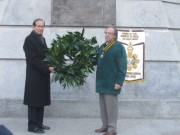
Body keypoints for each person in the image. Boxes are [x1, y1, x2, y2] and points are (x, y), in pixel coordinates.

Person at [23, 18, 54, 134]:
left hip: (42, 74)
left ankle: (39, 123)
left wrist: (53, 62)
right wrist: (46, 68)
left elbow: (45, 56)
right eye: (38, 26)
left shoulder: (42, 39)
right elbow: (32, 59)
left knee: (41, 99)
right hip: (34, 76)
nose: (41, 28)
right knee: (33, 101)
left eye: (42, 26)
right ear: (33, 26)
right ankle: (32, 126)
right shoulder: (29, 39)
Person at [94, 26, 127, 135]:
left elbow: (122, 66)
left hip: (112, 83)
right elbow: (95, 61)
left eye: (109, 33)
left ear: (114, 35)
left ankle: (112, 129)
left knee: (111, 107)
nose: (106, 35)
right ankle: (105, 126)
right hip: (101, 82)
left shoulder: (119, 47)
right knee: (103, 107)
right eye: (105, 33)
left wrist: (119, 82)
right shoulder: (103, 46)